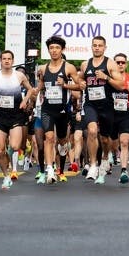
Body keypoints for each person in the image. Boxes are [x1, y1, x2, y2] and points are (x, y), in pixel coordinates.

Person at [80, 36, 125, 184]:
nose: (97, 48)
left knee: (106, 139)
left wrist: (106, 77)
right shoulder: (85, 64)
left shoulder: (110, 63)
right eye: (95, 45)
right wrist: (80, 83)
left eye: (100, 45)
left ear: (105, 47)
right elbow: (80, 79)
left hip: (106, 105)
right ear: (91, 47)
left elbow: (121, 85)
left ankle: (106, 157)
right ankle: (93, 165)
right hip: (90, 104)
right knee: (92, 131)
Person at [37, 36, 80, 185]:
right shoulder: (42, 68)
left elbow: (81, 86)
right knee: (49, 138)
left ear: (62, 50)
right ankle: (49, 169)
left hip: (63, 110)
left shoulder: (69, 67)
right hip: (47, 109)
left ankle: (62, 157)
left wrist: (66, 85)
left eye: (57, 48)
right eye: (51, 48)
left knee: (62, 141)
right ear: (48, 50)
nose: (54, 51)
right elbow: (40, 87)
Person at [0, 50, 37, 190]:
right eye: (4, 58)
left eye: (9, 59)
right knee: (0, 150)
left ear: (12, 61)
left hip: (16, 115)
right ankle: (6, 176)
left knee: (15, 146)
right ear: (0, 61)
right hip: (0, 117)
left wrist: (24, 101)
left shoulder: (19, 75)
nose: (6, 61)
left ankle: (12, 160)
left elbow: (31, 90)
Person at [108, 52, 129, 184]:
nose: (120, 64)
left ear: (126, 64)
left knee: (124, 142)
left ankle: (124, 170)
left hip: (124, 113)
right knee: (112, 143)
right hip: (110, 114)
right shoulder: (108, 77)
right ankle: (112, 153)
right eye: (117, 62)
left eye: (122, 62)